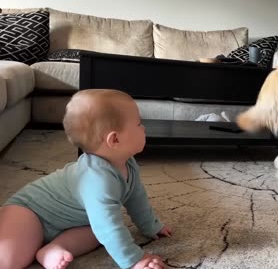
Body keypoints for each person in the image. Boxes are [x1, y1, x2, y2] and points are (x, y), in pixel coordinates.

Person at [0, 89, 172, 269]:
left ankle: (54, 248)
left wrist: (150, 226)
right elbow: (108, 226)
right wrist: (135, 259)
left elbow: (136, 198)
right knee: (10, 260)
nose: (143, 128)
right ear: (114, 140)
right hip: (28, 213)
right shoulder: (97, 180)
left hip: (72, 222)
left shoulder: (127, 164)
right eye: (139, 124)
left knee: (98, 232)